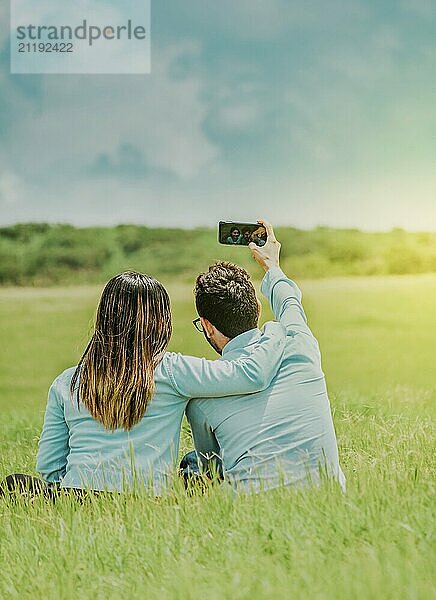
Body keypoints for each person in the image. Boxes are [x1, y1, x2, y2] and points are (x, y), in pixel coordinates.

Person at [0, 271, 286, 499]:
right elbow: (251, 374)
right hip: (146, 501)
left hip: (75, 496)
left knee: (16, 485)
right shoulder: (173, 370)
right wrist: (275, 330)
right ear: (161, 322)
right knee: (193, 463)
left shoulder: (68, 381)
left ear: (104, 318)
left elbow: (50, 469)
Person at [185, 220, 346, 492]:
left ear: (208, 325)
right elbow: (289, 303)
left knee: (192, 463)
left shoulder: (203, 394)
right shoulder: (300, 344)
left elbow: (210, 467)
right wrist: (272, 264)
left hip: (251, 517)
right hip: (331, 503)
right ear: (257, 309)